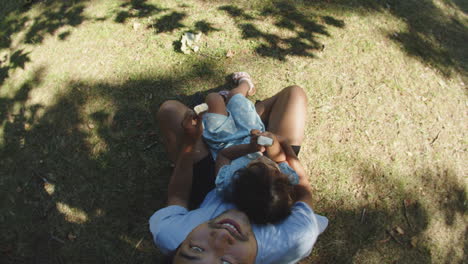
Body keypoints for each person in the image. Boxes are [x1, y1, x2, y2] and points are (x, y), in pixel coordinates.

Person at [150, 79, 328, 263]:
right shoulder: (293, 238)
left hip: (213, 183)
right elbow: (302, 189)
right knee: (294, 94)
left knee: (169, 111)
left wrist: (189, 144)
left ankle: (246, 112)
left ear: (178, 248)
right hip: (273, 173)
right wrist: (283, 149)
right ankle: (249, 112)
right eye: (226, 263)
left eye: (196, 248)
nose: (220, 237)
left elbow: (178, 196)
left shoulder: (171, 234)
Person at [201, 72, 300, 224]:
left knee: (213, 99)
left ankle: (223, 103)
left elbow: (224, 156)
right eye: (271, 168)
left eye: (256, 165)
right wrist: (271, 142)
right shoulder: (287, 179)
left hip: (224, 141)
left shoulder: (228, 185)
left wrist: (249, 148)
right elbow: (278, 159)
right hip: (251, 131)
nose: (263, 160)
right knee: (236, 98)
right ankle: (246, 85)